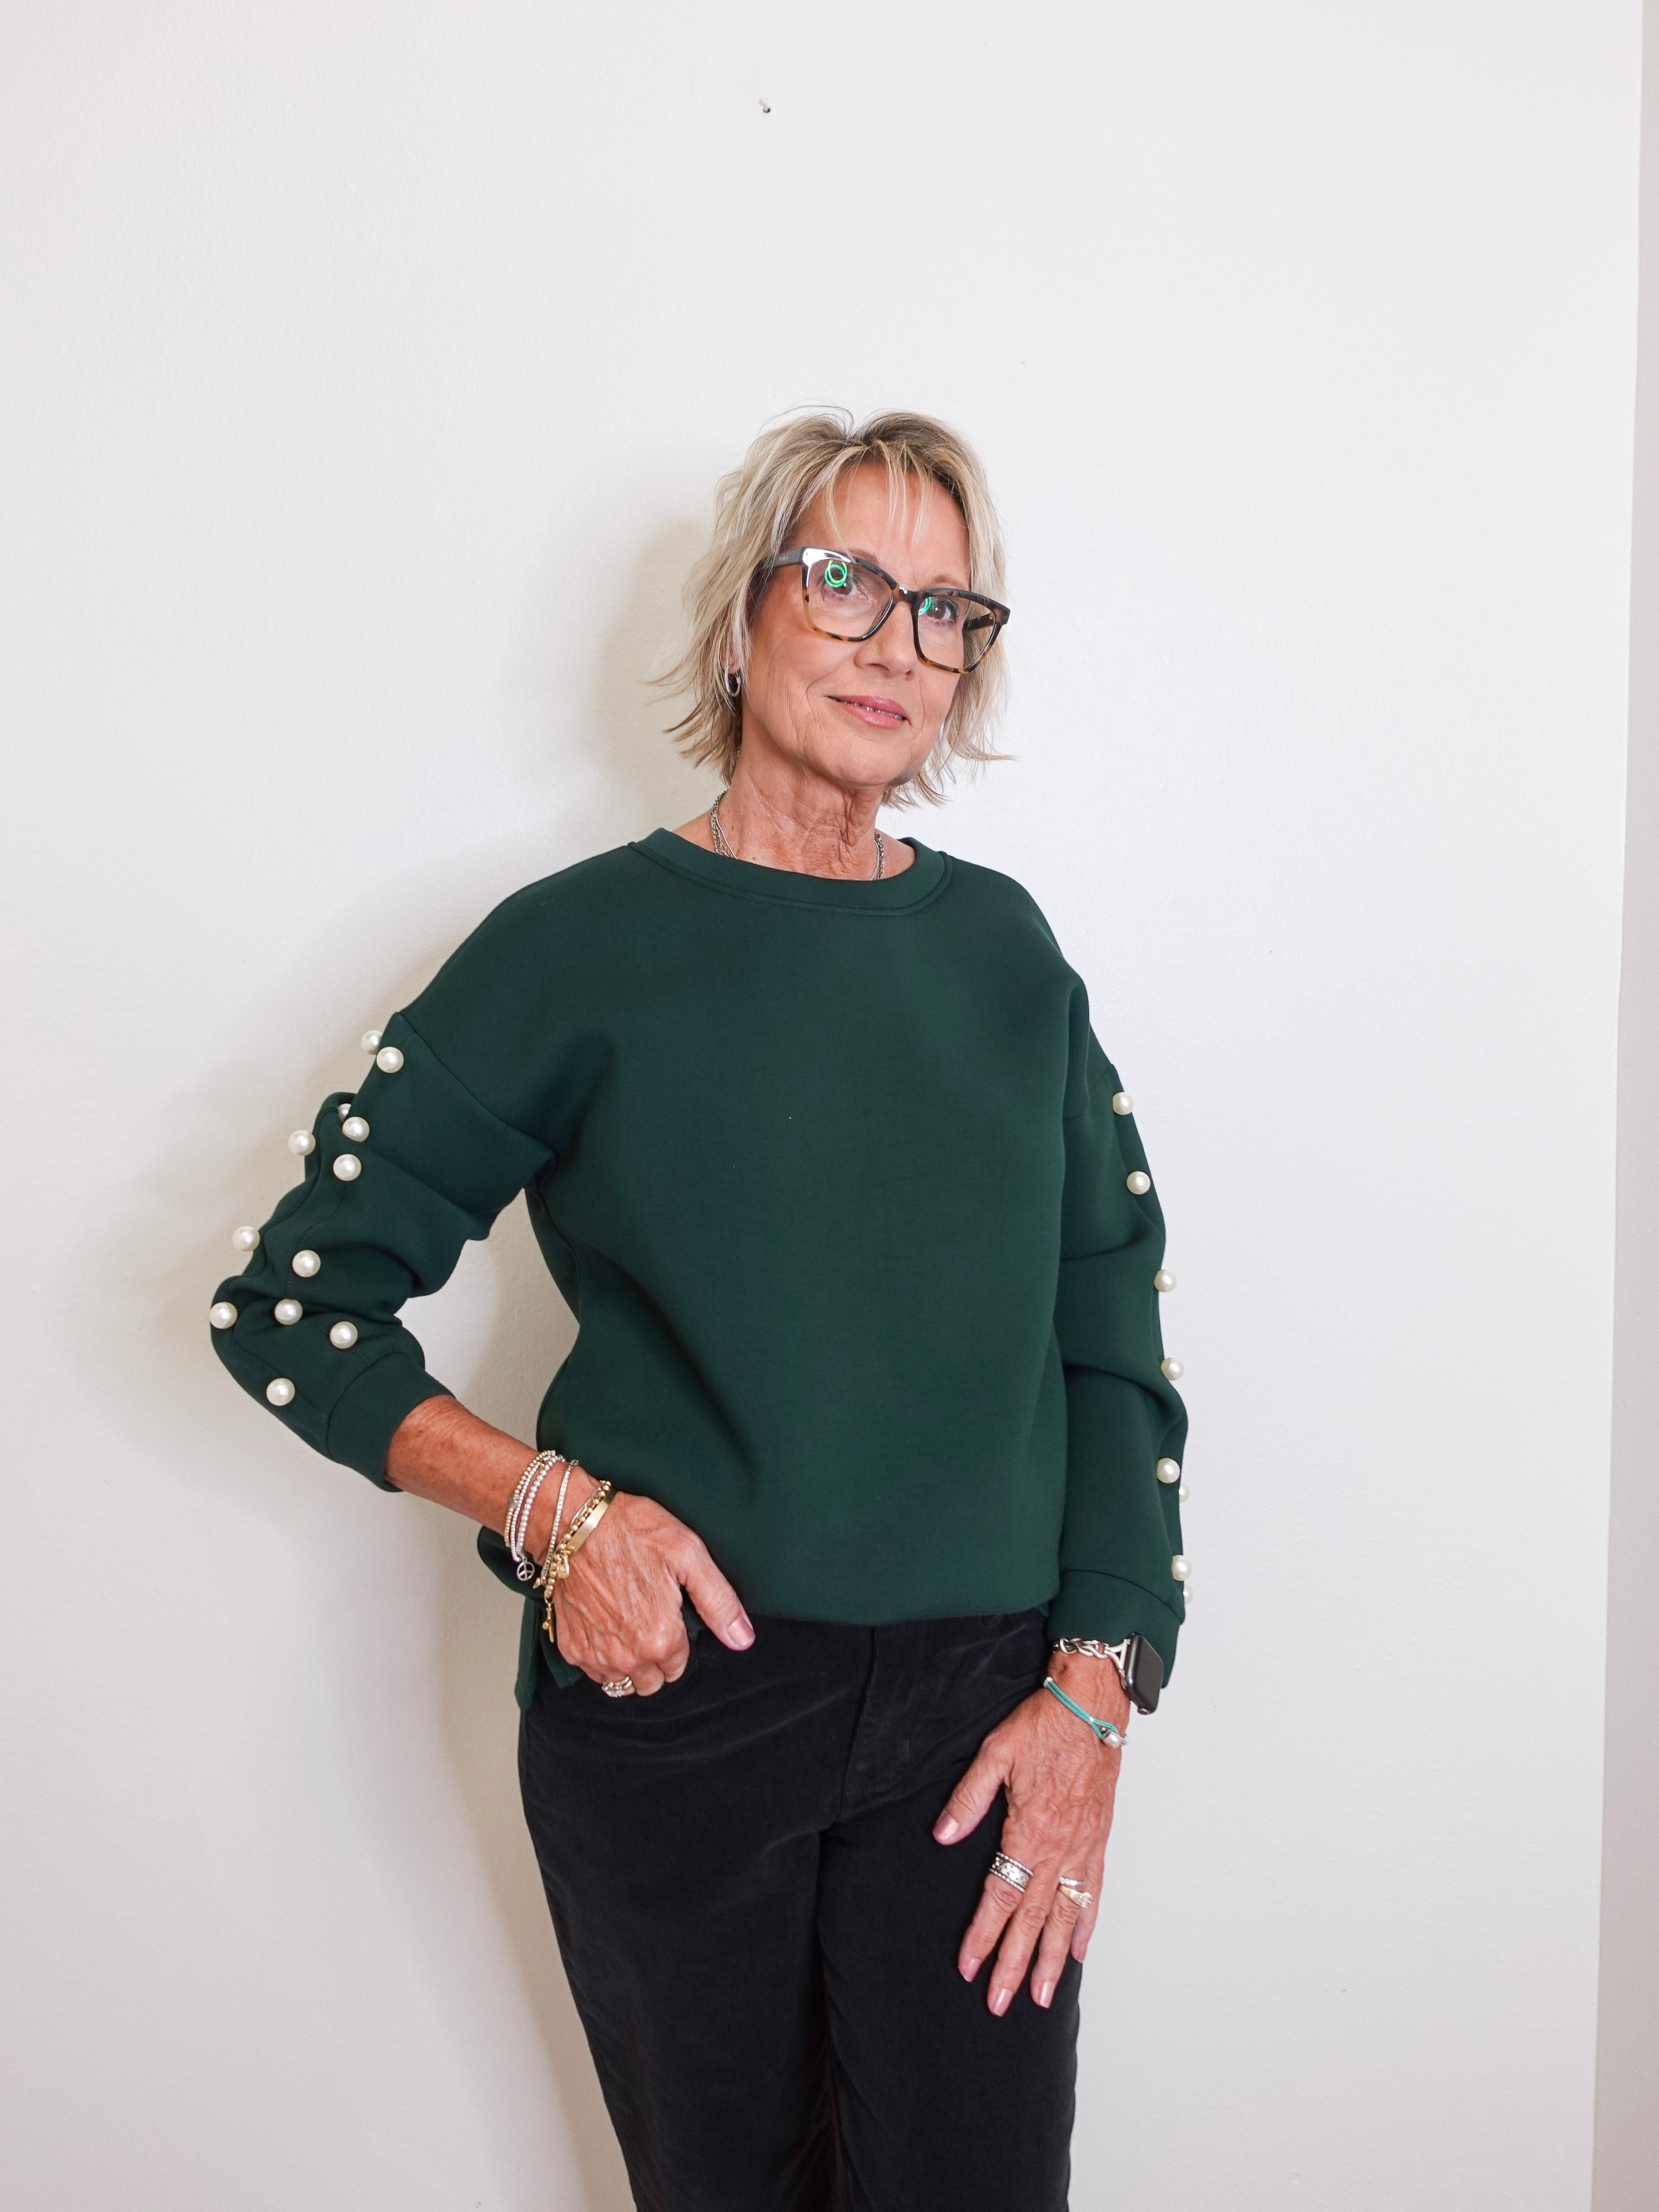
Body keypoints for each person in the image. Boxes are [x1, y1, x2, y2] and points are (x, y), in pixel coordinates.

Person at [209, 408, 1189, 2211]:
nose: (900, 646)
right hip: (682, 1706)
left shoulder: (1006, 957)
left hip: (986, 1716)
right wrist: (547, 1508)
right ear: (740, 619)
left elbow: (1111, 1336)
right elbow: (290, 1302)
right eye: (850, 583)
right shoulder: (578, 947)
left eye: (949, 612)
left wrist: (1099, 1685)